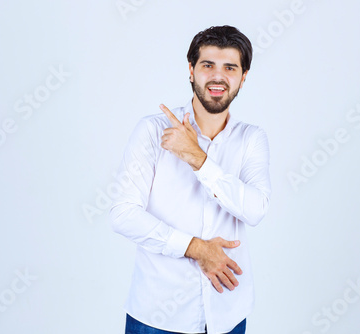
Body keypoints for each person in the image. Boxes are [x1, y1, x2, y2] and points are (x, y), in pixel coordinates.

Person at [109, 25, 271, 334]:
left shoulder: (252, 139)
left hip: (228, 313)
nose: (217, 77)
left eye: (230, 67)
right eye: (207, 65)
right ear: (191, 70)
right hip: (158, 315)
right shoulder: (152, 131)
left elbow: (255, 210)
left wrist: (197, 157)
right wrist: (196, 248)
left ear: (243, 76)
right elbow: (123, 215)